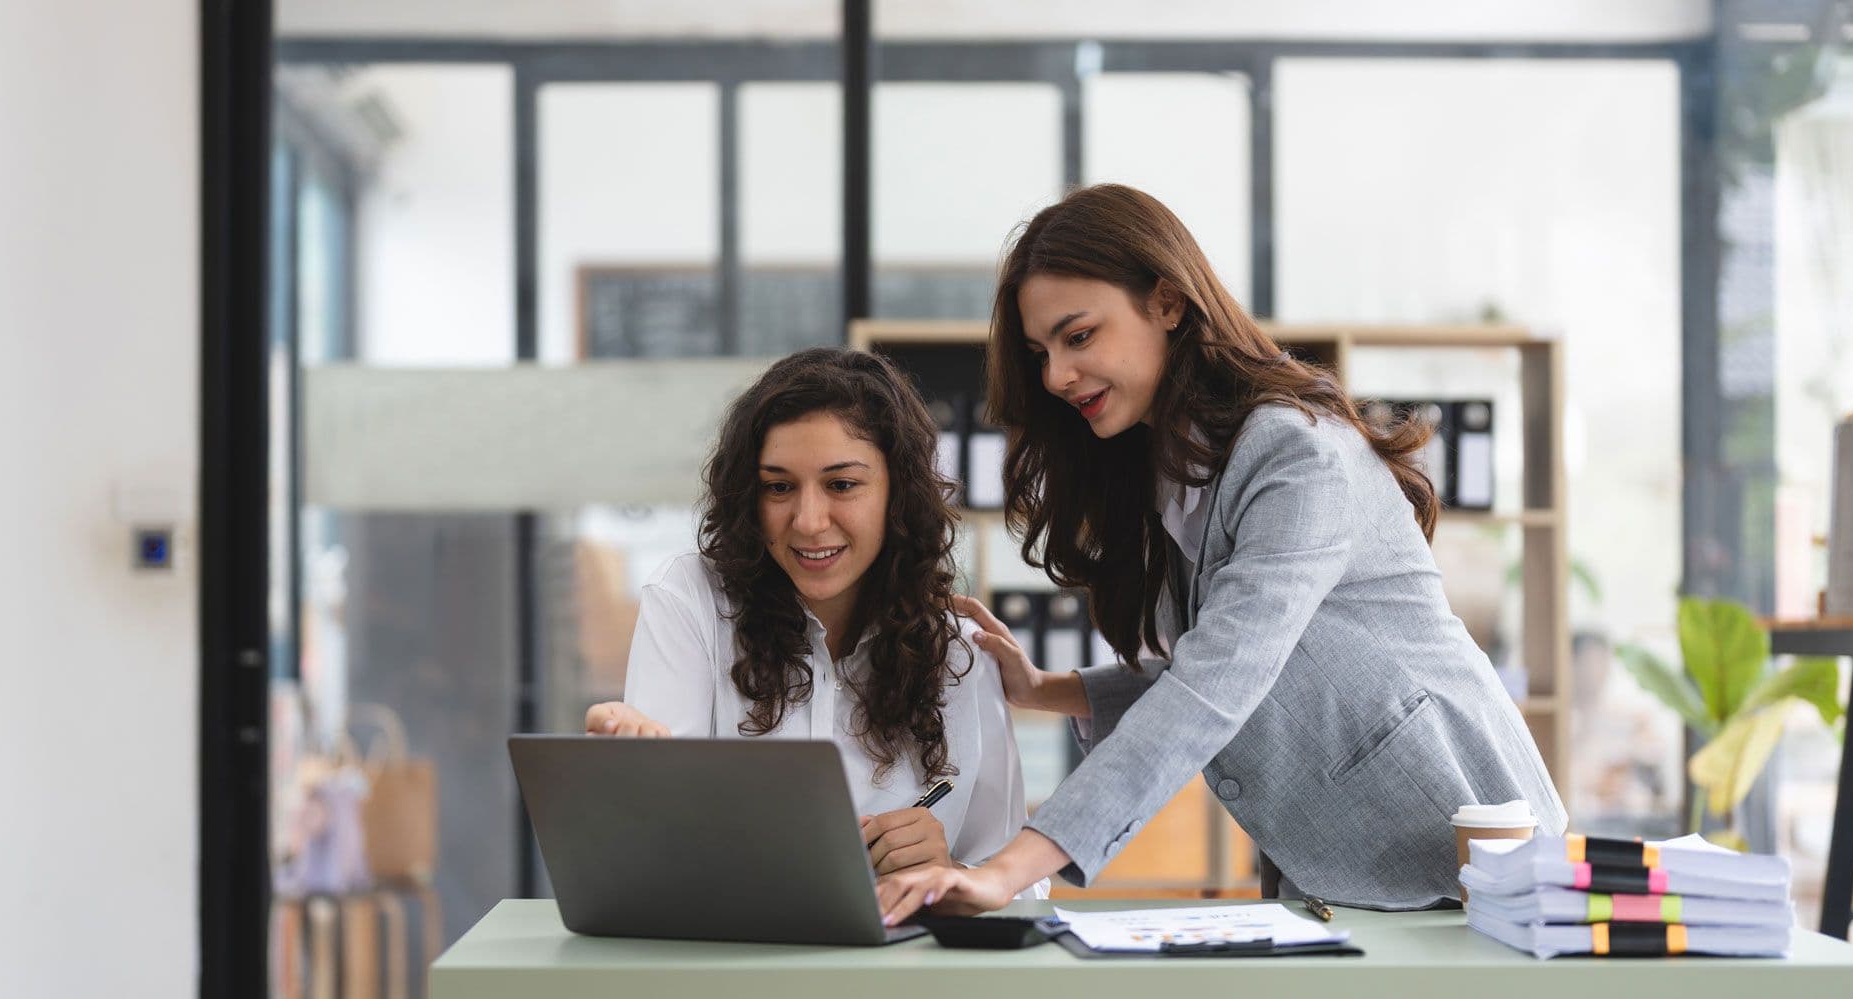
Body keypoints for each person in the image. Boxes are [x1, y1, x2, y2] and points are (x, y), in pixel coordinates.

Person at [873, 184, 1566, 924]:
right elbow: (1218, 665)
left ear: (1168, 303)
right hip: (1344, 877)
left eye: (1078, 337)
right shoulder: (1174, 472)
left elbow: (1220, 678)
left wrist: (1008, 868)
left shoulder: (1296, 454)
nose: (1055, 376)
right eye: (1043, 351)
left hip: (1463, 858)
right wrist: (1047, 689)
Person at [583, 347, 1027, 882]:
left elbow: (1018, 884)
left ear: (898, 494)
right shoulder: (691, 600)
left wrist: (952, 873)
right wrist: (628, 776)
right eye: (779, 487)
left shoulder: (961, 651)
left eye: (842, 485)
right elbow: (655, 850)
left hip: (904, 960)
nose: (810, 522)